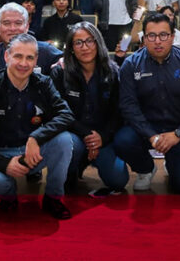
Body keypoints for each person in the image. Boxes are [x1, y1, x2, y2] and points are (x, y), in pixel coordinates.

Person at [0, 33, 75, 219]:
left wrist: (37, 137)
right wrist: (4, 164)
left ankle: (53, 198)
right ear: (6, 57)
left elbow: (66, 114)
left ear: (36, 61)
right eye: (18, 56)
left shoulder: (44, 83)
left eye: (29, 58)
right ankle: (8, 197)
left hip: (33, 152)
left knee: (64, 140)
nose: (23, 63)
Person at [114, 13, 180, 194]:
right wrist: (151, 135)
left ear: (172, 37)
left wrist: (179, 133)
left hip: (179, 129)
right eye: (152, 36)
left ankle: (173, 160)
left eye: (163, 35)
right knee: (123, 141)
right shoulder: (130, 65)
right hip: (145, 129)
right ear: (144, 38)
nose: (158, 41)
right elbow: (128, 106)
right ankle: (146, 169)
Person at [50, 22, 130, 197]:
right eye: (78, 43)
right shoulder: (60, 73)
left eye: (89, 41)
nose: (84, 47)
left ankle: (89, 161)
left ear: (98, 43)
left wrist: (102, 137)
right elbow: (59, 112)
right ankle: (73, 168)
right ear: (71, 48)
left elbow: (118, 112)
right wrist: (87, 135)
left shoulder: (113, 72)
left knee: (118, 181)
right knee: (70, 144)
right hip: (74, 135)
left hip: (103, 137)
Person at [0, 2, 64, 79]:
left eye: (18, 23)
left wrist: (65, 61)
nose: (12, 28)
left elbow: (68, 60)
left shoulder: (45, 51)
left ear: (27, 27)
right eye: (6, 23)